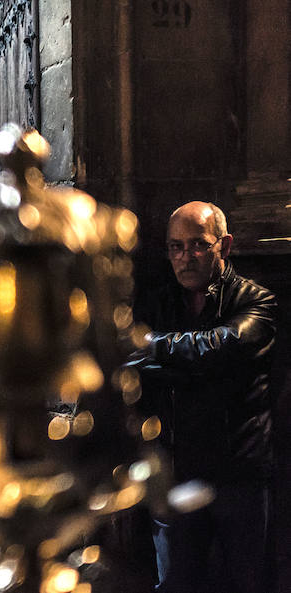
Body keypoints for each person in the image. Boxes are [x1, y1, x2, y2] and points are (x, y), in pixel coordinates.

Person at [130, 201, 276, 593]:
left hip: (239, 475)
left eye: (198, 244)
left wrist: (155, 349)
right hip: (176, 474)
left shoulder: (256, 301)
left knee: (247, 584)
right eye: (176, 246)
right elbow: (130, 364)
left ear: (223, 247)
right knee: (176, 584)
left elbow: (219, 346)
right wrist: (194, 362)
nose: (185, 257)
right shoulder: (157, 304)